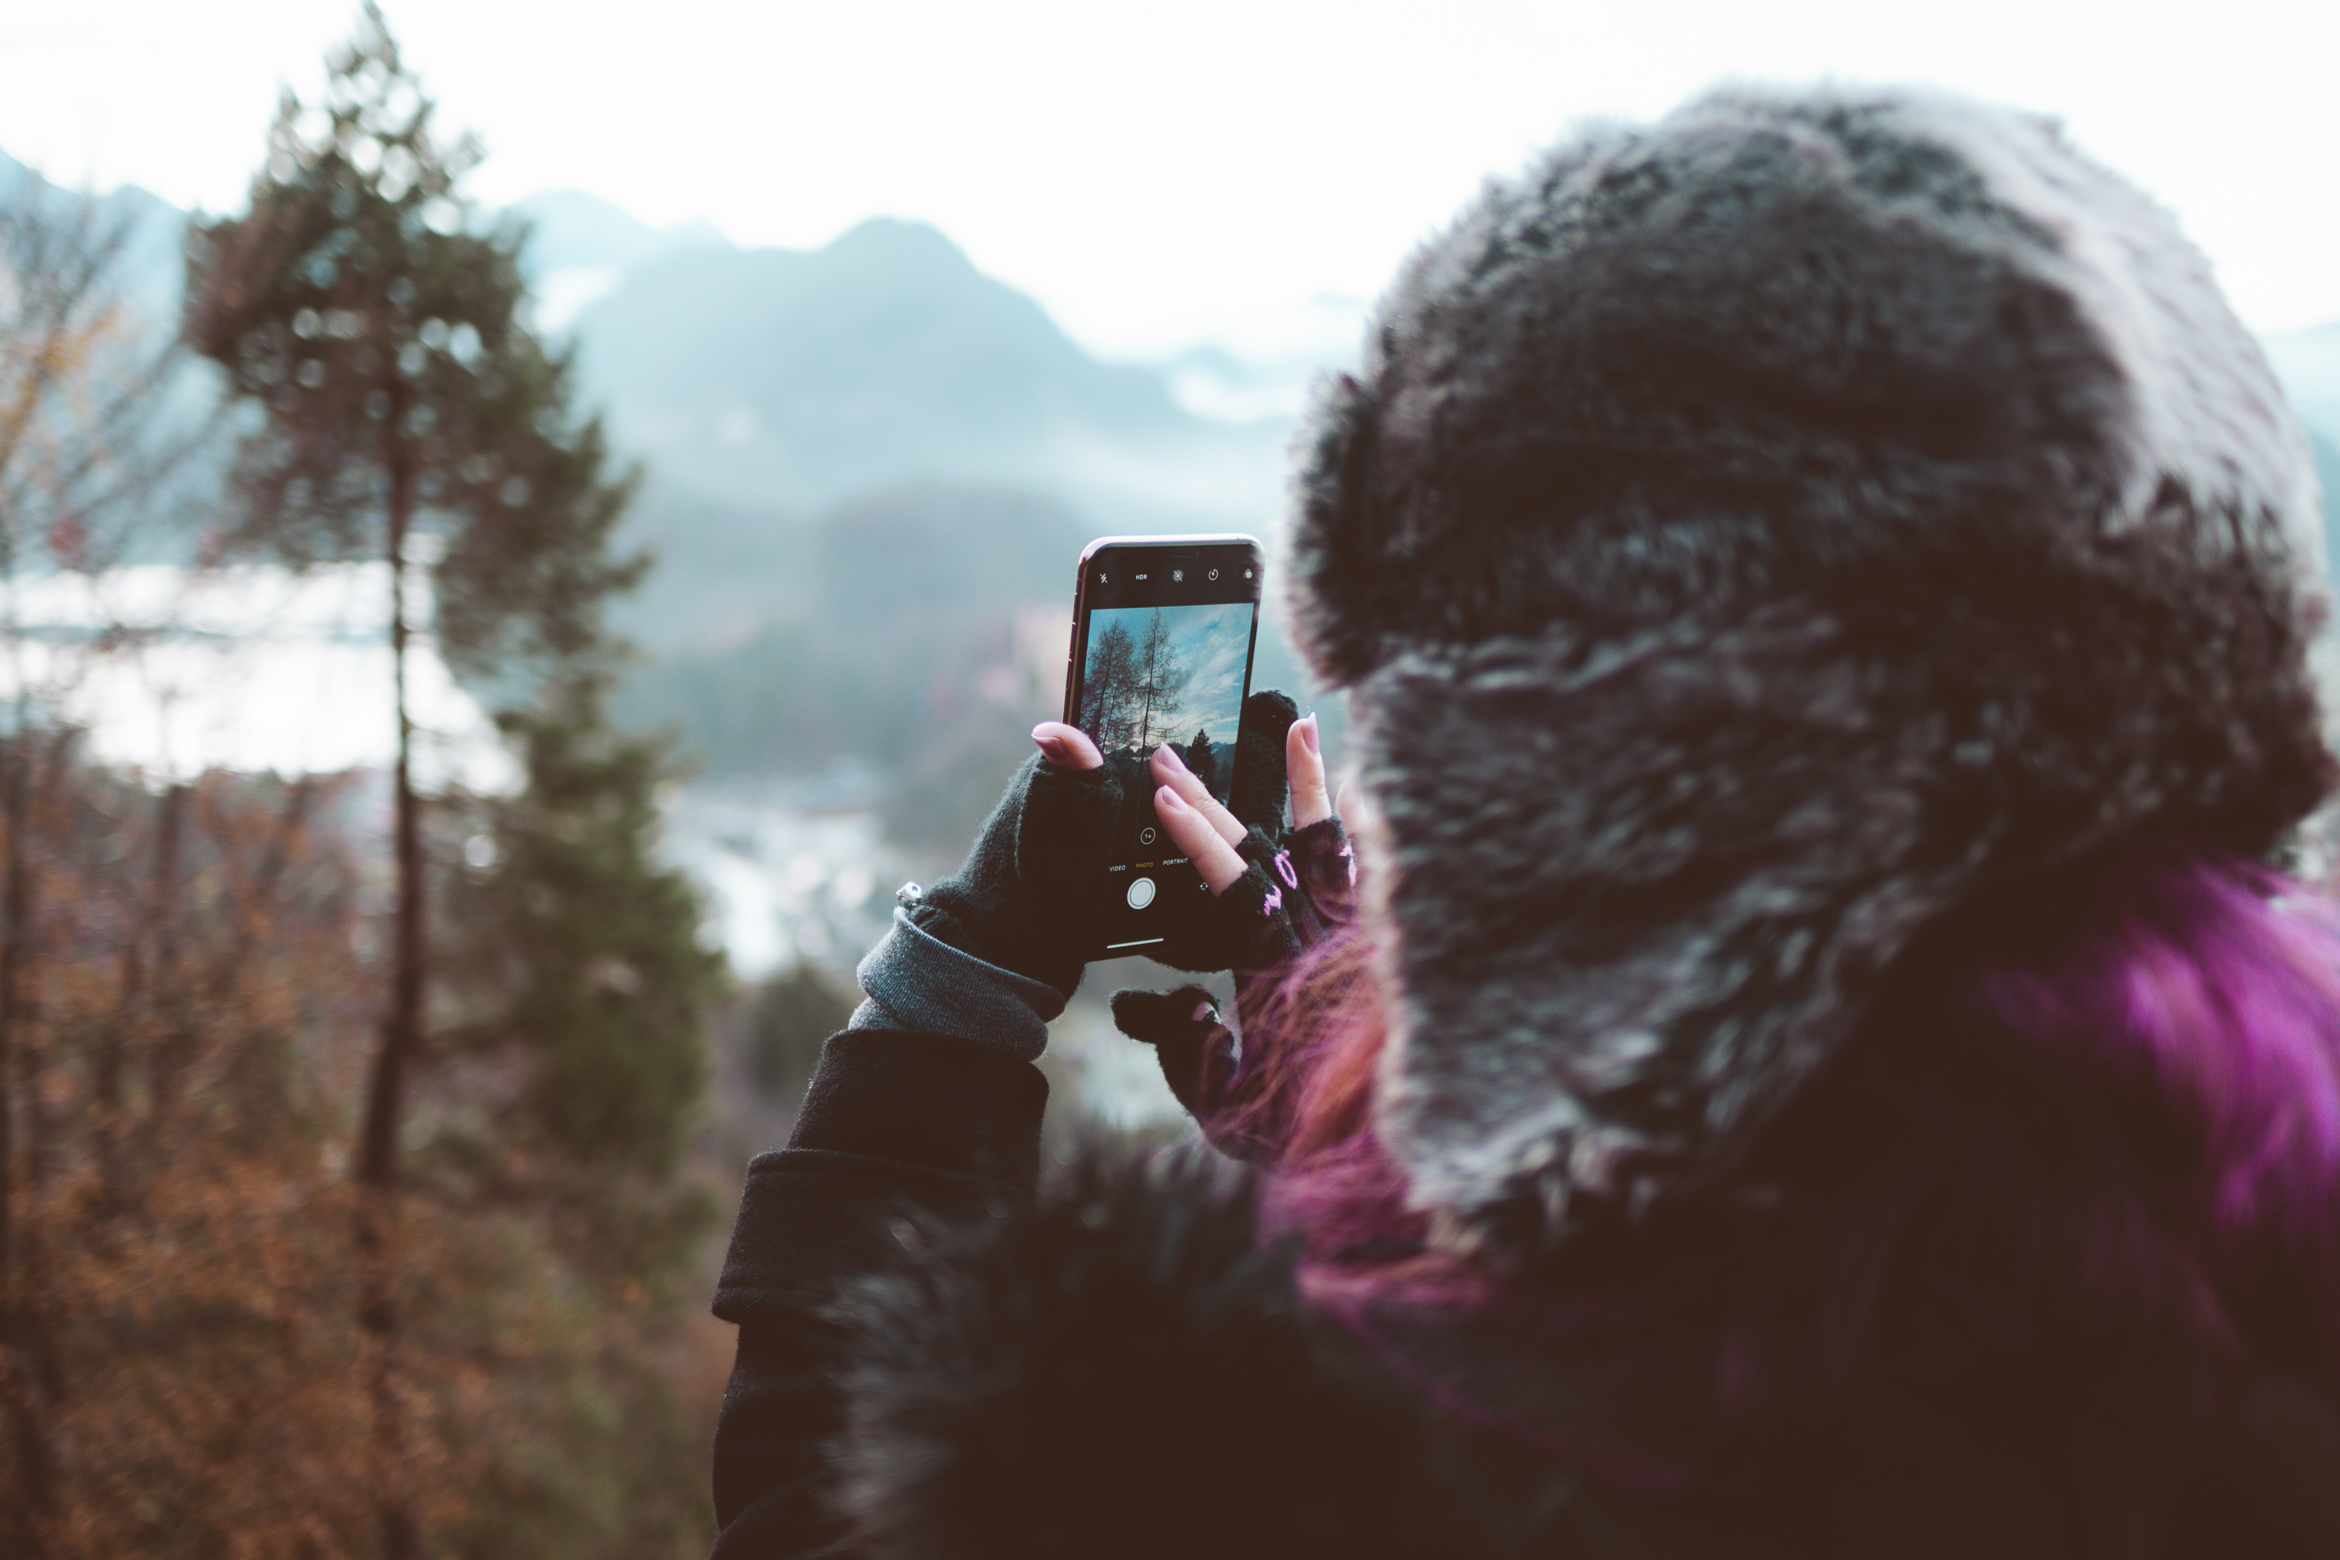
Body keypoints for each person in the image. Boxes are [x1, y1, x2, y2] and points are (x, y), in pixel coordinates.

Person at [708, 83, 2340, 1558]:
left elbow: (810, 1516)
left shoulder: (1253, 1448)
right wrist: (1348, 1022)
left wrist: (964, 983)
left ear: (1501, 756)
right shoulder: (2254, 1306)